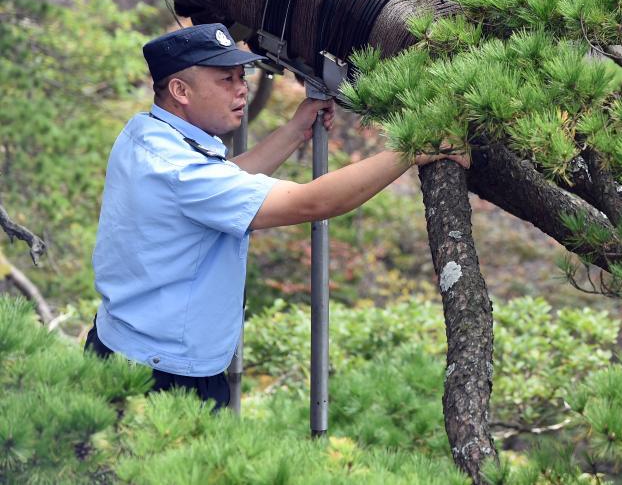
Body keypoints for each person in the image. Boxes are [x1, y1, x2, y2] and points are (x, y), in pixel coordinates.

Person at [84, 23, 467, 409]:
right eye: (225, 80)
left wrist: (294, 131)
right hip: (162, 379)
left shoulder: (145, 132)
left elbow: (224, 180)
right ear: (180, 91)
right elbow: (312, 203)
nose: (241, 88)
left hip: (122, 346)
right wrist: (410, 150)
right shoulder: (182, 173)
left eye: (241, 76)